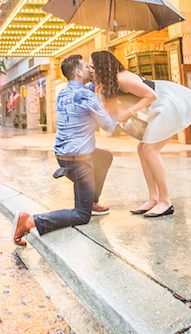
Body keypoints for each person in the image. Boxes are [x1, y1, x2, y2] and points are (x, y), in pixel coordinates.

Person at [13, 54, 117, 246]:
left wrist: (96, 80)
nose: (90, 69)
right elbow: (109, 126)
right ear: (78, 72)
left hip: (63, 156)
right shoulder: (86, 96)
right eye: (87, 66)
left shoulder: (63, 92)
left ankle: (92, 200)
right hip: (79, 161)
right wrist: (124, 110)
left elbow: (86, 94)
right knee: (81, 214)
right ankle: (30, 221)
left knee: (104, 157)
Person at [89, 50, 191, 219]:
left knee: (150, 150)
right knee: (142, 148)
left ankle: (166, 202)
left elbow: (151, 95)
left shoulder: (122, 78)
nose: (90, 69)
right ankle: (153, 198)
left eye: (92, 66)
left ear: (101, 66)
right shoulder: (111, 81)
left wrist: (128, 112)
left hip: (167, 103)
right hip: (160, 106)